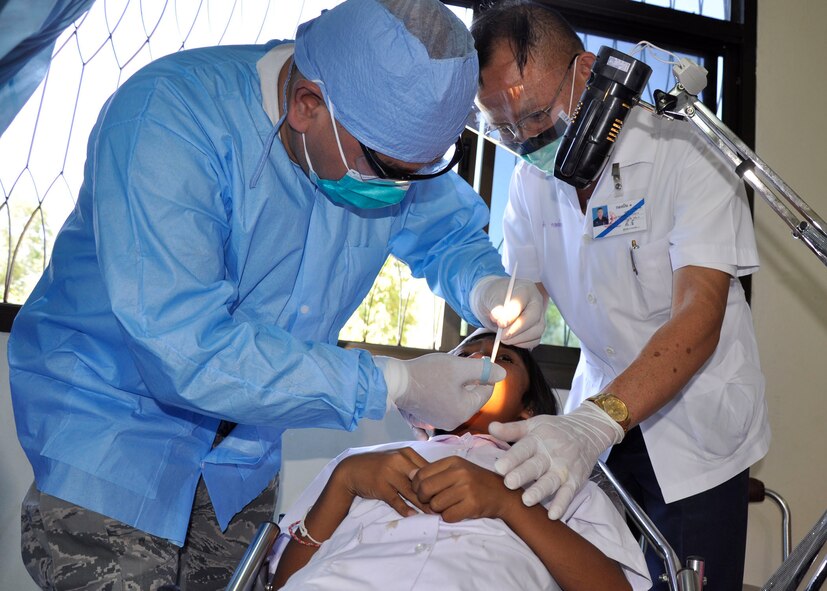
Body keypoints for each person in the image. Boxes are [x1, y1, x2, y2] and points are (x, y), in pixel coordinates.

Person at [8, 1, 548, 589]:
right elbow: (185, 349)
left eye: (419, 171)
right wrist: (394, 382)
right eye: (388, 168)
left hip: (241, 459)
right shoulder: (169, 120)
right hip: (114, 435)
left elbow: (446, 234)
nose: (401, 190)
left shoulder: (380, 143)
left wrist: (485, 284)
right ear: (306, 105)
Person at [470, 2, 770, 589]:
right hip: (600, 411)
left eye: (534, 116)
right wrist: (518, 306)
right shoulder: (532, 179)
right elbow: (527, 281)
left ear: (586, 72)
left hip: (695, 422)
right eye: (503, 129)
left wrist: (596, 424)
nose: (525, 141)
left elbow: (699, 315)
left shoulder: (686, 147)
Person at [269, 330, 651, 591]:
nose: (478, 360)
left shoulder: (562, 478)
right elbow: (281, 581)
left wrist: (508, 503)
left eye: (503, 358)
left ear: (529, 409)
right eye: (463, 356)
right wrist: (343, 480)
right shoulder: (360, 462)